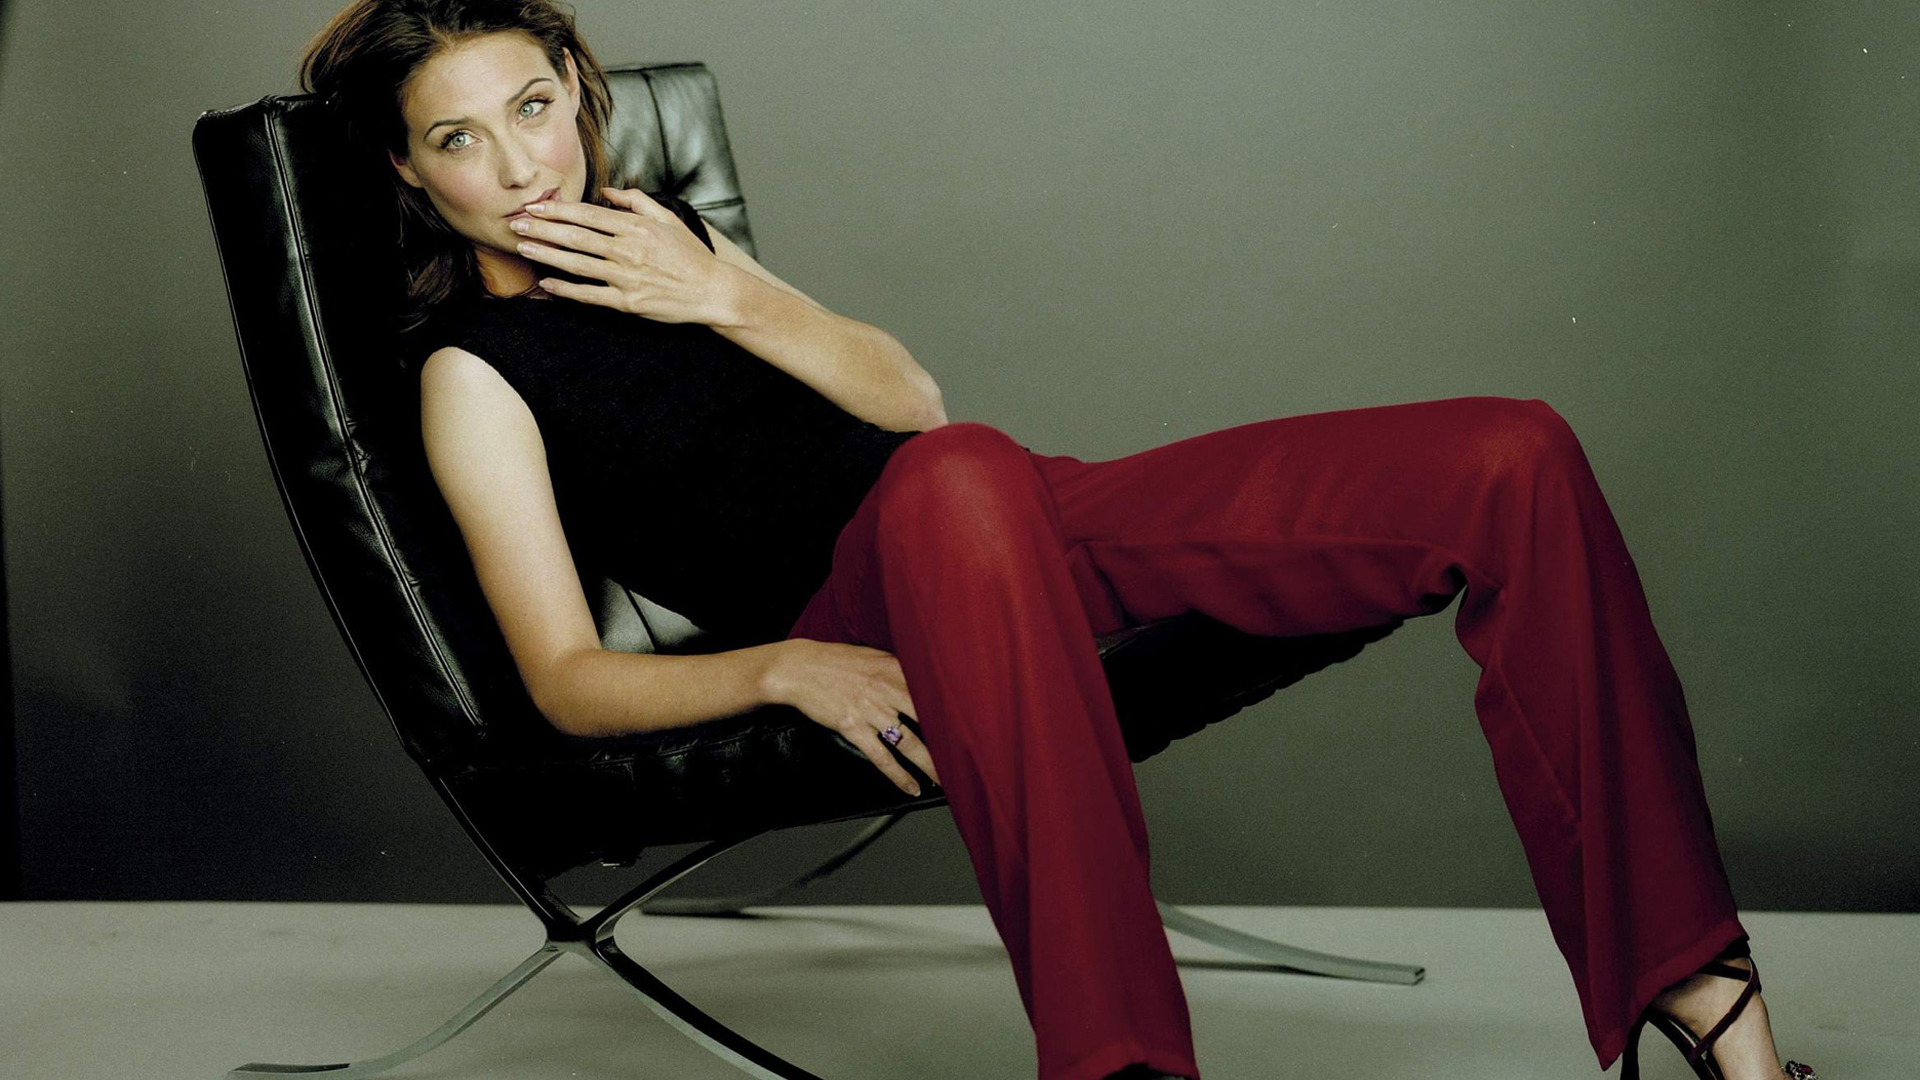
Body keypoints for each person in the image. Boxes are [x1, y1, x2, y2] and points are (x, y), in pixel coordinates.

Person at [299, 3, 1817, 1079]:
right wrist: (785, 670)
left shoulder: (668, 240)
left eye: (534, 107)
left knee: (1510, 453)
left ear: (576, 85)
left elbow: (908, 399)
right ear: (408, 171)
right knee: (958, 474)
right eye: (459, 139)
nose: (522, 166)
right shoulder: (472, 378)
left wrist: (727, 293)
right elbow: (564, 681)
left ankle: (1695, 985)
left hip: (1007, 517)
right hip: (875, 588)